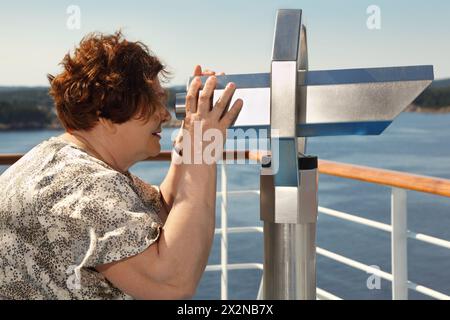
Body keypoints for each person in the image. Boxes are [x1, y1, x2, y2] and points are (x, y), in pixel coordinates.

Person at [0, 31, 243, 299]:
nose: (164, 114)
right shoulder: (81, 184)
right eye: (153, 102)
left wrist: (190, 139)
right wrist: (202, 150)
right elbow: (171, 285)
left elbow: (160, 211)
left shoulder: (63, 163)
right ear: (106, 113)